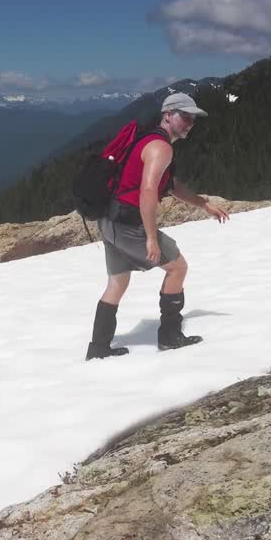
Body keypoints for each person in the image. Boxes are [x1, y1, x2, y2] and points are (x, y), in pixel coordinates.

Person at [86, 92, 230, 360]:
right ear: (168, 115)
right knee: (177, 267)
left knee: (118, 281)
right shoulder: (161, 147)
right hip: (128, 224)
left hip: (110, 222)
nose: (190, 123)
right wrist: (151, 237)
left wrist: (204, 204)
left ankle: (99, 349)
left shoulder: (147, 140)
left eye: (193, 119)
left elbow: (171, 185)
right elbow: (149, 190)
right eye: (185, 117)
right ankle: (170, 336)